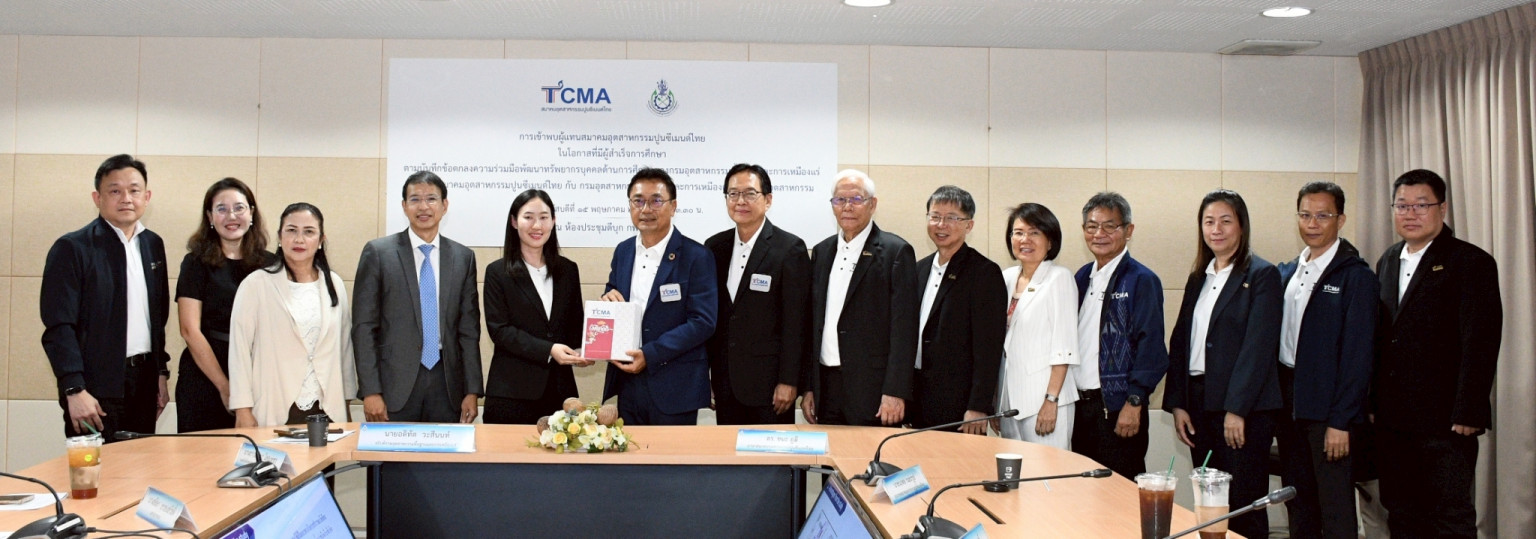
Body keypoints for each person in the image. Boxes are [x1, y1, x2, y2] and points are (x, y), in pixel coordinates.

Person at [1373, 169, 1501, 538]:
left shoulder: (1470, 262)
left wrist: (1469, 410)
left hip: (1446, 421)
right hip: (1394, 419)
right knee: (1400, 510)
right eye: (1402, 206)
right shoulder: (1388, 260)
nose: (1410, 214)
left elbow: (1481, 341)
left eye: (1421, 205)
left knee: (1449, 515)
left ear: (1442, 209)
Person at [1164, 189, 1282, 539]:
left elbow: (1258, 348)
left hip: (1242, 411)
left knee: (1243, 504)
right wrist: (1179, 403)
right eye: (1209, 222)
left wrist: (1237, 409)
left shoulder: (1261, 275)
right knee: (1210, 505)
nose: (1216, 229)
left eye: (1225, 221)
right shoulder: (1198, 278)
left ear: (1241, 226)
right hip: (1200, 406)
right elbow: (1181, 341)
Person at [42, 154, 171, 441]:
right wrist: (73, 389)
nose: (126, 198)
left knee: (142, 465)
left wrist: (160, 374)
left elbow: (158, 318)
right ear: (97, 197)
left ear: (147, 197)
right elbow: (59, 327)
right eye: (115, 191)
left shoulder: (153, 244)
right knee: (95, 466)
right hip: (93, 389)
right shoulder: (72, 248)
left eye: (134, 190)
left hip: (144, 384)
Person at [1275, 181, 1377, 539]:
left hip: (1330, 413)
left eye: (1323, 216)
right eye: (1305, 215)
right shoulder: (1288, 271)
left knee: (1335, 507)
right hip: (1290, 407)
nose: (1312, 223)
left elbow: (1358, 356)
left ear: (1341, 220)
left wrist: (1341, 421)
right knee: (1298, 501)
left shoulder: (1356, 277)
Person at [353, 171, 482, 424]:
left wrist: (472, 390)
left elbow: (468, 330)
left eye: (431, 198)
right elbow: (363, 327)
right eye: (415, 199)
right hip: (393, 386)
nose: (423, 207)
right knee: (392, 451)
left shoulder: (462, 257)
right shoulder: (378, 253)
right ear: (404, 206)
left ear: (444, 205)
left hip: (448, 386)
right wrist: (370, 390)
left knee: (444, 451)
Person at [600, 168, 717, 425]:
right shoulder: (623, 251)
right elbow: (613, 292)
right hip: (628, 382)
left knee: (671, 453)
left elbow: (703, 322)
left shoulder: (696, 256)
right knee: (630, 451)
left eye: (656, 201)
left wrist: (650, 354)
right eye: (638, 201)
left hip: (676, 386)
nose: (646, 209)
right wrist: (607, 299)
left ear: (673, 206)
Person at [802, 169, 918, 427]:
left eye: (856, 199)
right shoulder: (822, 251)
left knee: (870, 454)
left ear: (872, 204)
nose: (847, 207)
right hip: (826, 388)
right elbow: (813, 325)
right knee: (830, 452)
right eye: (840, 200)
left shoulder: (896, 252)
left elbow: (904, 330)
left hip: (873, 391)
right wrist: (809, 387)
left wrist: (895, 391)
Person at [229, 203, 358, 427]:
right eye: (291, 230)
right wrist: (242, 409)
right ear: (280, 237)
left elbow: (344, 349)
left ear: (321, 240)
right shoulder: (256, 284)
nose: (299, 239)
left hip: (327, 409)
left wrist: (345, 404)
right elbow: (239, 351)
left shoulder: (334, 284)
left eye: (309, 232)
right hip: (274, 407)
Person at [704, 164, 810, 425]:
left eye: (750, 194)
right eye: (733, 194)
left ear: (768, 200)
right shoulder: (714, 247)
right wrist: (707, 376)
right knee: (729, 451)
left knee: (771, 451)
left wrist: (789, 381)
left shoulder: (789, 249)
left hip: (770, 388)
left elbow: (796, 323)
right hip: (725, 383)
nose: (740, 201)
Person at [1071, 192, 1167, 479]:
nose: (1099, 234)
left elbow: (1151, 346)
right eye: (1091, 226)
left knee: (1120, 492)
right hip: (1080, 409)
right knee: (1082, 490)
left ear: (1128, 230)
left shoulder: (1141, 279)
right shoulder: (1081, 277)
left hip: (1118, 410)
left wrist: (1134, 400)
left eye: (1109, 226)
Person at [175, 178, 274, 433]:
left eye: (239, 208)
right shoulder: (195, 263)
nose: (231, 216)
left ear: (251, 213)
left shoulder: (271, 265)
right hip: (206, 375)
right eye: (221, 209)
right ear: (210, 216)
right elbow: (189, 330)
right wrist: (224, 386)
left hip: (257, 374)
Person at [482, 189, 590, 424]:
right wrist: (549, 350)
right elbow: (500, 331)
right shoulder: (497, 272)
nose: (537, 225)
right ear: (514, 222)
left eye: (544, 217)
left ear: (553, 221)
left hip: (560, 394)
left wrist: (585, 350)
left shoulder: (568, 270)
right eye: (528, 217)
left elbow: (575, 326)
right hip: (512, 394)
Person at [909, 186, 1005, 433]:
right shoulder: (919, 270)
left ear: (968, 225)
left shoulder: (984, 273)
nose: (941, 224)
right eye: (935, 216)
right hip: (918, 399)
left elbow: (989, 347)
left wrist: (978, 406)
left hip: (960, 405)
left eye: (952, 218)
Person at [994, 203, 1076, 447]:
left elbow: (1064, 345)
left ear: (1050, 241)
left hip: (1045, 401)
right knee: (1013, 469)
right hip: (1009, 403)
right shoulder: (1006, 278)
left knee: (1048, 470)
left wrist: (1051, 400)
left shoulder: (1059, 278)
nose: (1025, 239)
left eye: (1034, 233)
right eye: (1018, 232)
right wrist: (997, 402)